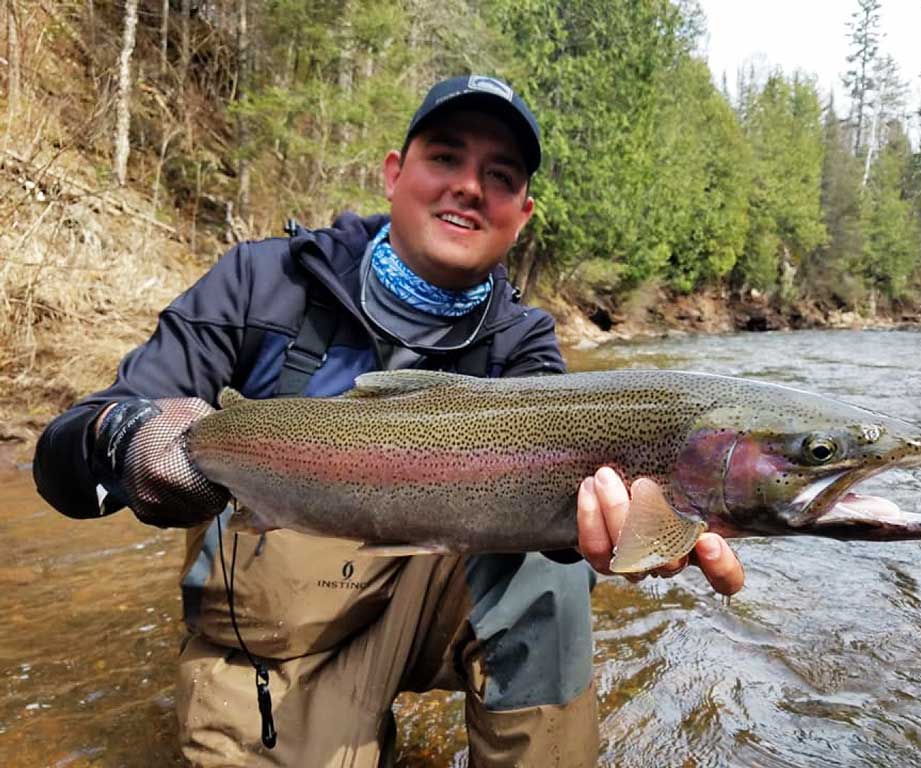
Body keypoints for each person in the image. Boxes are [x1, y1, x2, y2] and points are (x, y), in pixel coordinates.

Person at [33, 75, 744, 767]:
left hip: (440, 593)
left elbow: (559, 518)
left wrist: (628, 531)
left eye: (500, 175)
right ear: (394, 173)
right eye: (445, 158)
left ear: (522, 215)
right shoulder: (264, 282)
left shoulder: (522, 342)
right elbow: (66, 451)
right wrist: (126, 439)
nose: (469, 185)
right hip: (280, 627)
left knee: (548, 582)